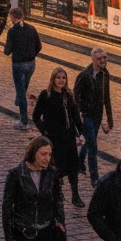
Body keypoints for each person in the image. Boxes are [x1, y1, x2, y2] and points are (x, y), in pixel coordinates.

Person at [33, 67, 85, 208]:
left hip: (68, 137)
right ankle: (58, 193)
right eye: (58, 77)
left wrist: (81, 131)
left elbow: (75, 115)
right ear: (53, 79)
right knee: (57, 168)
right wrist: (45, 132)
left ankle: (75, 195)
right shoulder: (46, 95)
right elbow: (36, 117)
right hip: (54, 138)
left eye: (64, 78)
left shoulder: (68, 95)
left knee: (73, 167)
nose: (61, 80)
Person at [74, 47, 114, 187]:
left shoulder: (105, 74)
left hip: (97, 115)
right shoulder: (84, 75)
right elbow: (76, 97)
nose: (103, 61)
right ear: (93, 60)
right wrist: (78, 115)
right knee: (93, 146)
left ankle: (79, 163)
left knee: (89, 141)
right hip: (86, 115)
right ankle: (95, 179)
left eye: (105, 58)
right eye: (100, 59)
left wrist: (110, 120)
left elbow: (106, 97)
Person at [3, 7, 41, 130]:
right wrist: (31, 55)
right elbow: (39, 46)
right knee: (24, 87)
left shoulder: (12, 31)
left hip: (19, 64)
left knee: (21, 91)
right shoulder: (31, 28)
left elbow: (7, 51)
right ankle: (19, 100)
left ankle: (23, 121)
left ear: (12, 17)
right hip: (31, 64)